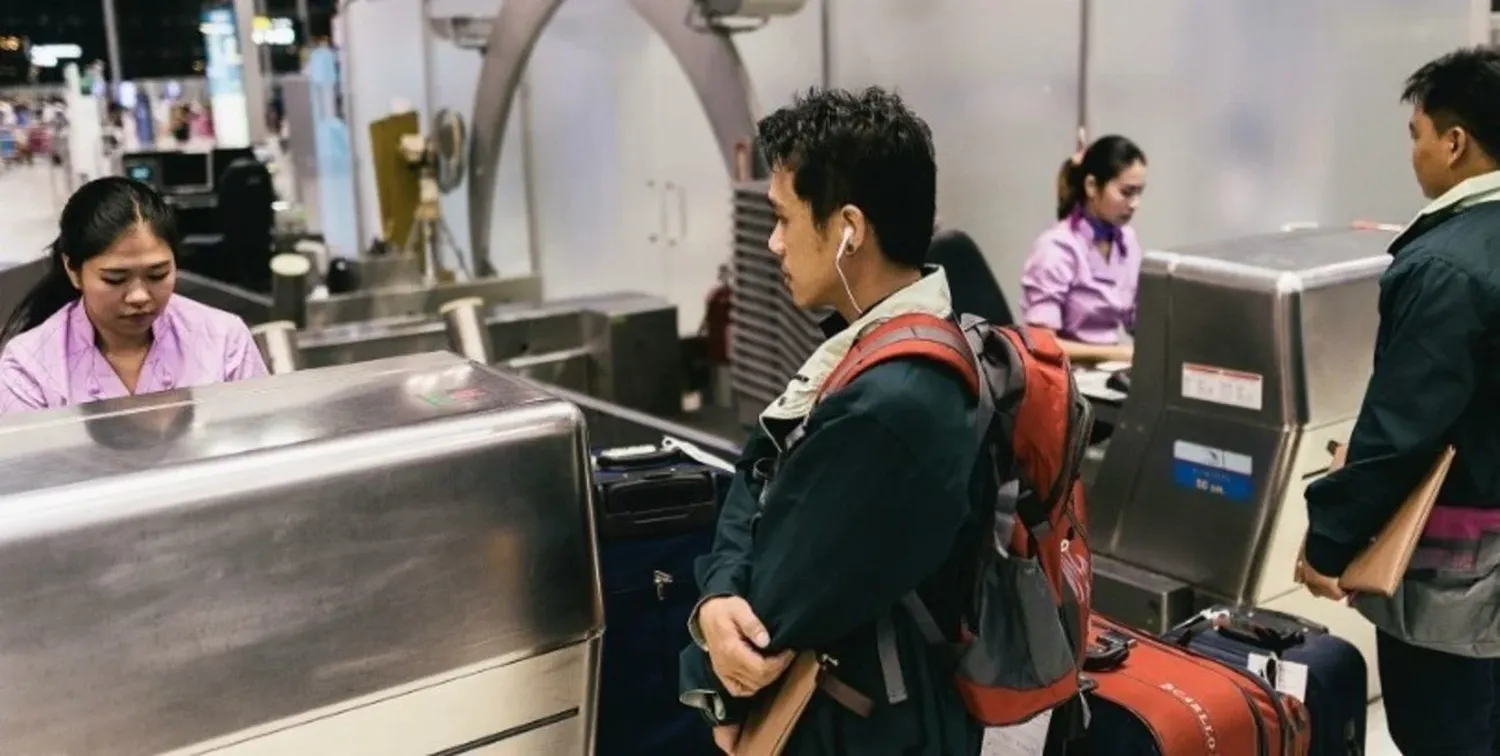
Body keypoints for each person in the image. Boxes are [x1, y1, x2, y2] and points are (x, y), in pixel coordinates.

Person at [678, 87, 986, 755]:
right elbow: (757, 461)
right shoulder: (871, 343)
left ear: (848, 228)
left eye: (785, 219)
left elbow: (774, 608)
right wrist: (718, 595)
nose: (773, 242)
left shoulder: (892, 404)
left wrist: (708, 661)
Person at [1297, 46, 1500, 754]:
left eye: (1416, 136)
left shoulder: (1448, 267)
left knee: (1443, 729)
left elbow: (1403, 426)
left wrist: (1330, 540)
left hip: (1458, 572)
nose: (1413, 155)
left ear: (1455, 141)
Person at [0, 177, 267, 415]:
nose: (139, 296)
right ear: (73, 270)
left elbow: (258, 441)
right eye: (115, 279)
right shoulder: (29, 366)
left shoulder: (223, 340)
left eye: (157, 274)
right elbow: (32, 468)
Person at [1020, 133, 1147, 365]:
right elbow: (1042, 344)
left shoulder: (1126, 241)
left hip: (1110, 372)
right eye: (1126, 192)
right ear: (1091, 186)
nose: (1135, 203)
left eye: (1139, 192)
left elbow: (1139, 321)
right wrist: (1118, 354)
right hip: (1068, 380)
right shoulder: (1056, 249)